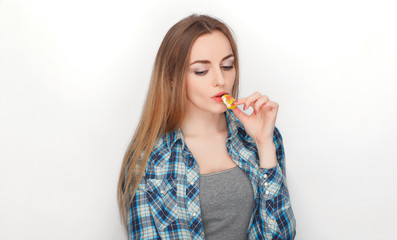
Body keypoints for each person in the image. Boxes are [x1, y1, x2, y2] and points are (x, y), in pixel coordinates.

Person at [117, 14, 296, 240]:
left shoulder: (260, 139)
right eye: (201, 70)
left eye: (227, 66)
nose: (220, 80)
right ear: (172, 77)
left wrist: (264, 144)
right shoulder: (148, 157)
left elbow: (282, 235)